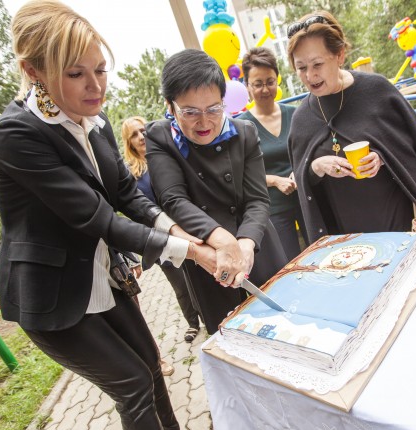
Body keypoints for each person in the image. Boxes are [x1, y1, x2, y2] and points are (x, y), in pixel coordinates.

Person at [0, 2, 214, 430]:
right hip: (52, 293)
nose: (96, 86)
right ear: (33, 71)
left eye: (101, 69)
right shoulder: (14, 135)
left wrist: (179, 231)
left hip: (103, 274)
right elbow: (98, 218)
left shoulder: (98, 121)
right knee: (131, 383)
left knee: (149, 360)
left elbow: (126, 193)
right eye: (76, 74)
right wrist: (190, 252)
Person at [145, 49, 287, 334]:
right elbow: (173, 199)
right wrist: (222, 240)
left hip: (255, 242)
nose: (204, 122)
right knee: (232, 336)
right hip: (207, 257)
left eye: (213, 109)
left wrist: (245, 244)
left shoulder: (244, 131)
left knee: (284, 324)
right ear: (170, 105)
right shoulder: (159, 136)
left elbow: (257, 199)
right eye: (190, 112)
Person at [286, 11, 416, 243]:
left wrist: (382, 157)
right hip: (348, 234)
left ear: (339, 55)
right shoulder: (301, 119)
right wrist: (316, 167)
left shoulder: (376, 90)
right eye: (301, 68)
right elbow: (303, 183)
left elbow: (411, 146)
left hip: (398, 220)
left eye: (317, 64)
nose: (310, 75)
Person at [122, 116, 202, 344]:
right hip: (160, 237)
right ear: (129, 142)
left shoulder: (166, 157)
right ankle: (193, 323)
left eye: (143, 130)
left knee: (199, 276)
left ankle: (208, 314)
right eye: (134, 135)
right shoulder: (130, 174)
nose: (141, 137)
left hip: (186, 229)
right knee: (179, 283)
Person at [237, 47, 308, 259]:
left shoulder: (296, 114)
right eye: (258, 84)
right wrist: (275, 180)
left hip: (306, 199)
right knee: (288, 263)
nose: (265, 89)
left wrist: (299, 170)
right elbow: (241, 173)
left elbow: (307, 153)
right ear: (247, 86)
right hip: (273, 208)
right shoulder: (242, 126)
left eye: (270, 82)